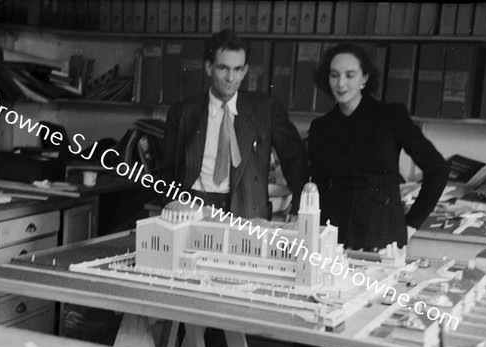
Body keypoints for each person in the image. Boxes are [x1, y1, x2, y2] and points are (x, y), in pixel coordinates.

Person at [309, 43, 449, 251]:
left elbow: (438, 169)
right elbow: (317, 186)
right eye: (334, 75)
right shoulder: (321, 127)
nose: (341, 83)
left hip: (382, 236)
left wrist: (411, 223)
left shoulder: (390, 117)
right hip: (334, 237)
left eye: (350, 75)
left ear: (364, 79)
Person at [159, 29, 308, 219]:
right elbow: (166, 171)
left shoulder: (266, 109)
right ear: (208, 67)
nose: (231, 78)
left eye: (237, 69)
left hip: (247, 213)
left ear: (245, 71)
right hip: (194, 211)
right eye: (223, 68)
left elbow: (295, 160)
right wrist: (172, 202)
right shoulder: (182, 113)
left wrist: (297, 208)